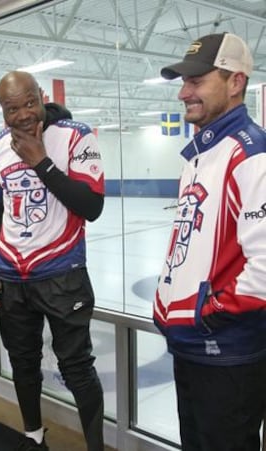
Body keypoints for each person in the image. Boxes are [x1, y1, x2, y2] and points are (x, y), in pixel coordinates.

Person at [0, 70, 105, 451]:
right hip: (11, 273)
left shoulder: (76, 136)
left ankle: (96, 447)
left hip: (61, 274)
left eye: (29, 103)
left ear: (42, 95)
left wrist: (42, 162)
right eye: (11, 108)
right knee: (22, 363)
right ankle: (34, 437)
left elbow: (92, 206)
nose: (22, 115)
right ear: (3, 110)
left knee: (77, 369)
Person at [155, 32, 266, 451]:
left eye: (197, 81)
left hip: (228, 354)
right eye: (184, 82)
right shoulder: (202, 155)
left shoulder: (252, 154)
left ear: (235, 82)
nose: (184, 92)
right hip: (194, 347)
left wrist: (207, 313)